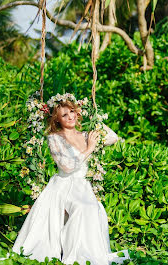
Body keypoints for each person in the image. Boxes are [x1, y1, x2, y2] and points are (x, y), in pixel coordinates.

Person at [12, 96, 129, 265]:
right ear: (57, 120)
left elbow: (113, 137)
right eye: (64, 115)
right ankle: (73, 254)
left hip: (83, 185)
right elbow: (67, 166)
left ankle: (86, 253)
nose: (70, 117)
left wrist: (92, 115)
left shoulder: (85, 134)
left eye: (72, 112)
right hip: (64, 184)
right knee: (82, 207)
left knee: (93, 208)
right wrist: (89, 149)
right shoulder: (54, 138)